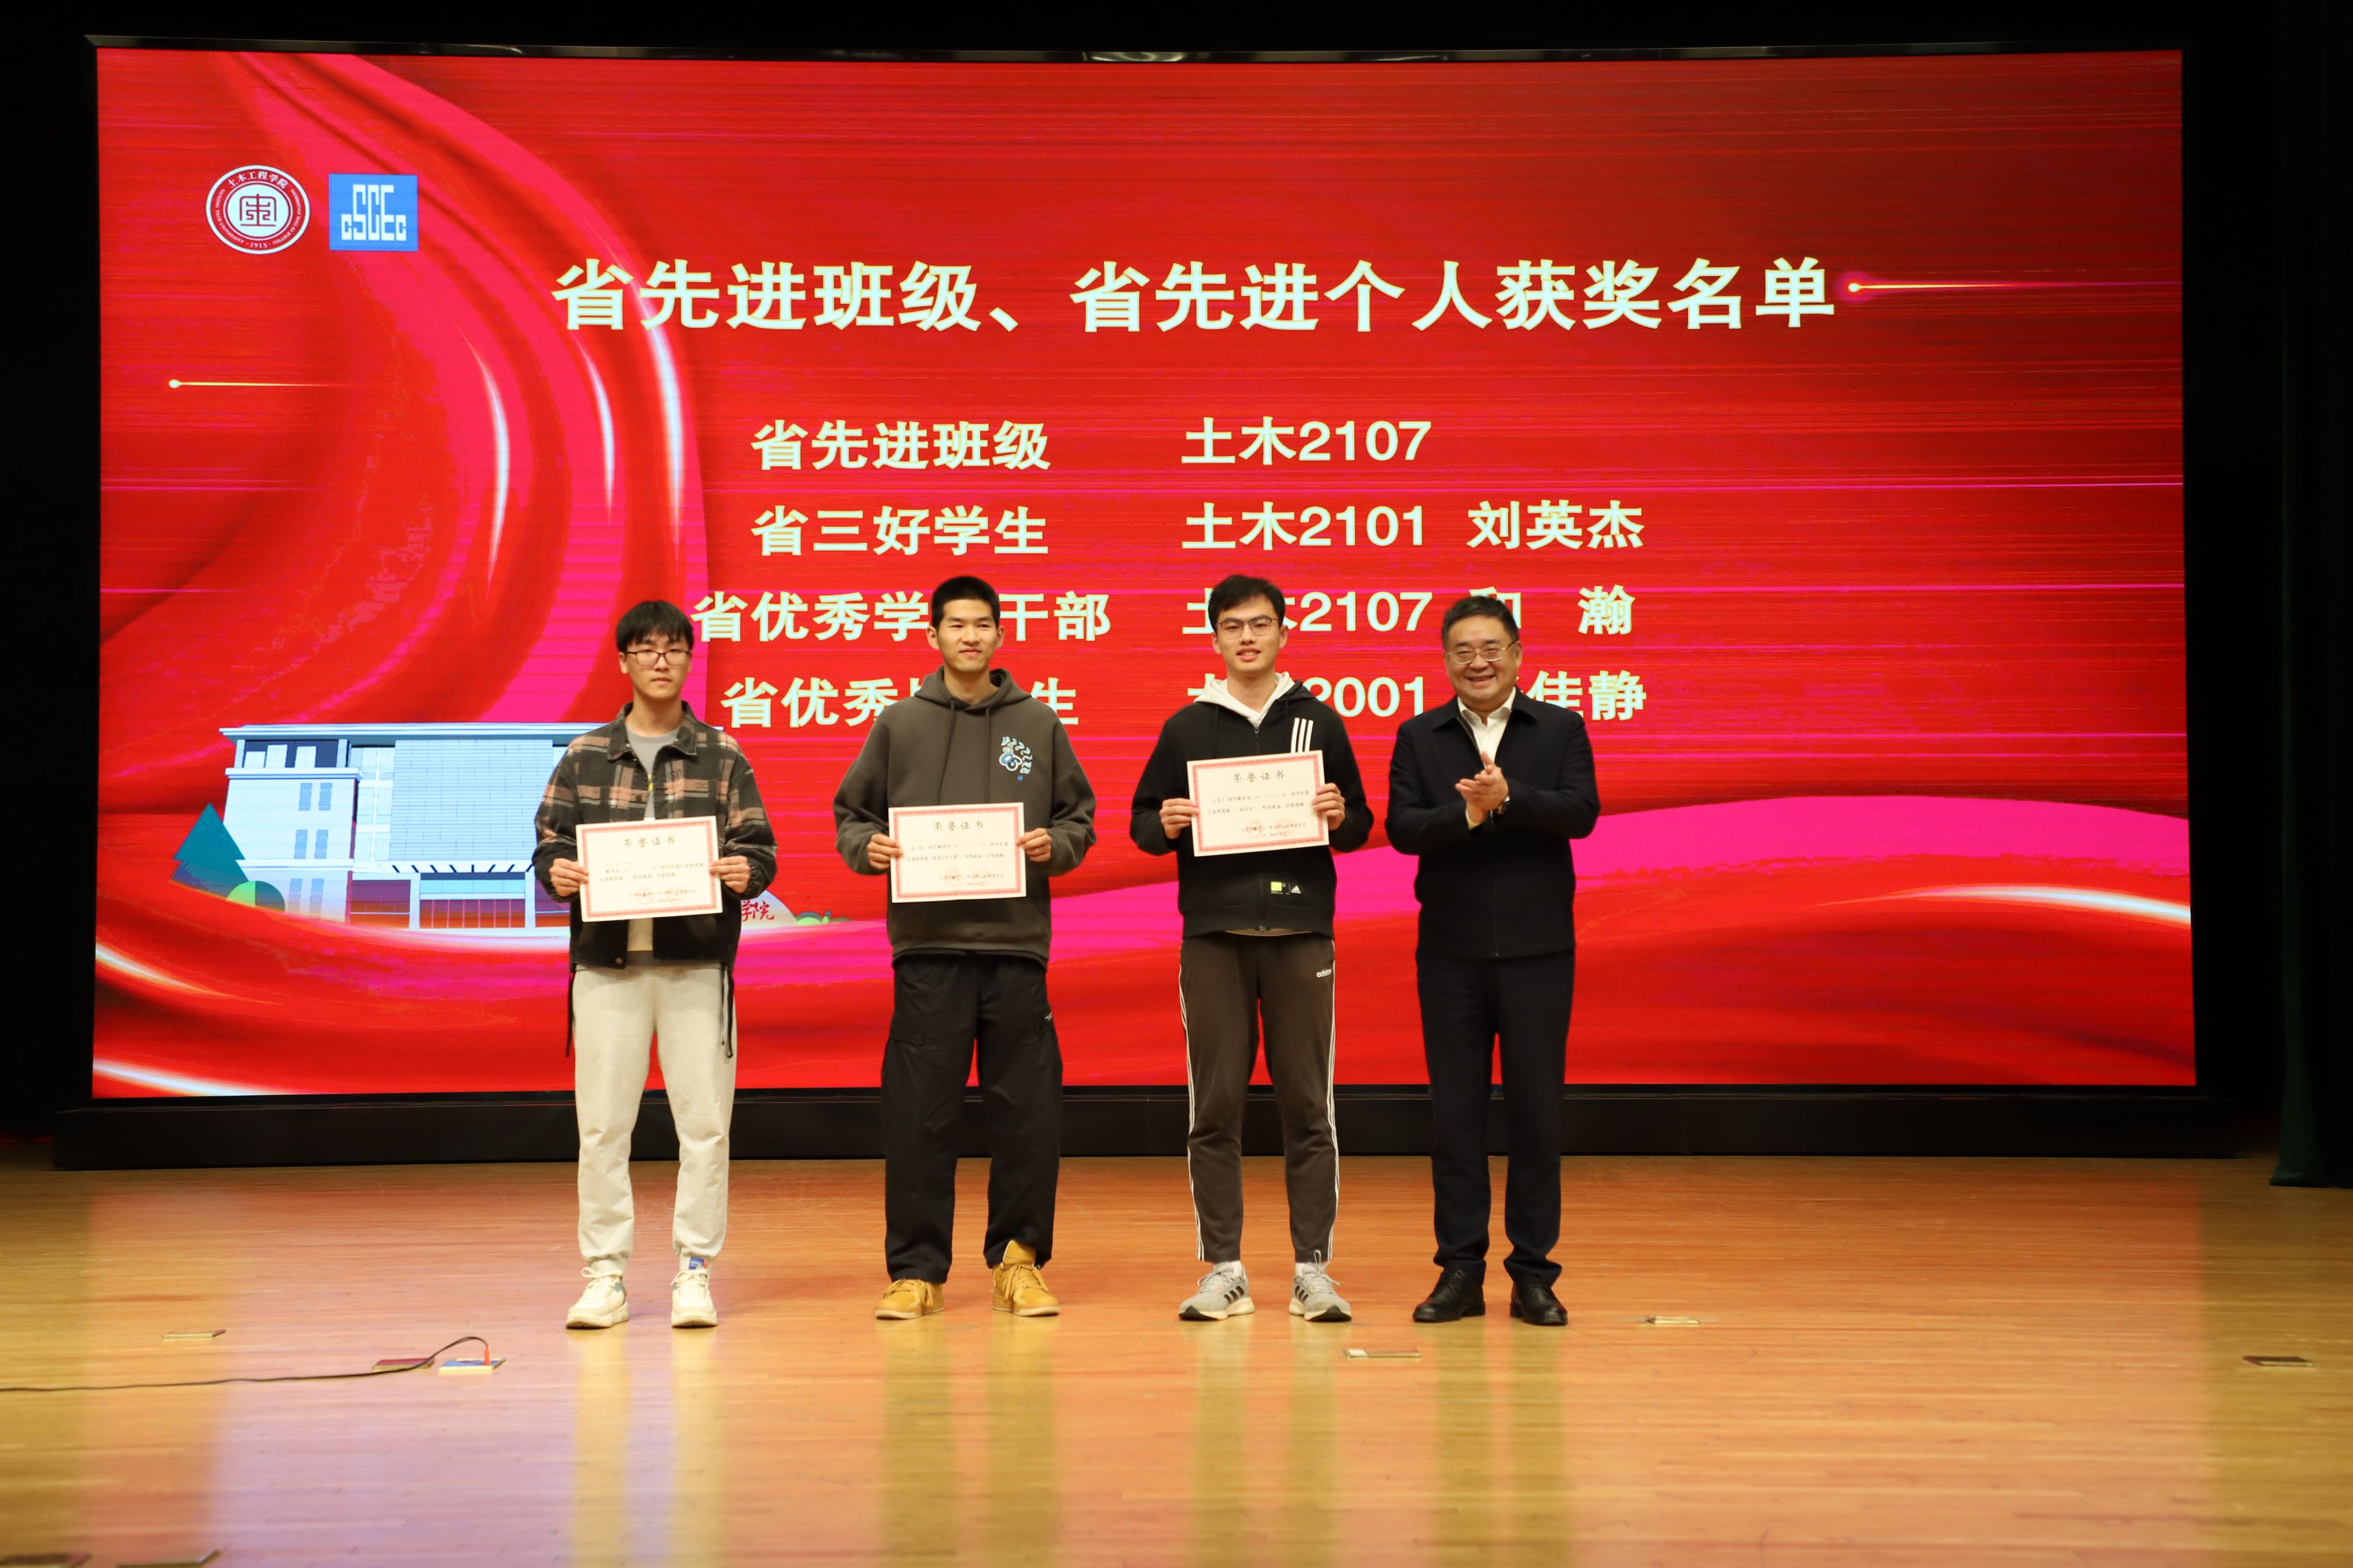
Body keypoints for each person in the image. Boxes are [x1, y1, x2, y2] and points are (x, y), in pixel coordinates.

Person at [833, 575, 1097, 1320]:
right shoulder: (899, 723)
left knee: (1028, 1116)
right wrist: (867, 847)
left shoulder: (1036, 724)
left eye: (983, 624)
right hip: (928, 949)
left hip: (1016, 948)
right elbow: (852, 815)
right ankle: (917, 1271)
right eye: (957, 624)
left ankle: (1019, 1262)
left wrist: (1056, 845)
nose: (971, 636)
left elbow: (1078, 819)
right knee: (920, 1116)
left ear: (1000, 634)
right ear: (934, 634)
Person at [1131, 574, 1373, 1324]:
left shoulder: (1319, 721)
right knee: (1215, 1107)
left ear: (1282, 632)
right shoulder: (1186, 727)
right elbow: (1142, 825)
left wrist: (1339, 812)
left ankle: (1312, 1271)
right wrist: (1167, 821)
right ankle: (1224, 1269)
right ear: (1214, 638)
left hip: (1301, 934)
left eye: (1260, 624)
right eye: (1232, 626)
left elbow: (1361, 823)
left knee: (1308, 1107)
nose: (1247, 637)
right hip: (1214, 936)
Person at [534, 600, 777, 1331]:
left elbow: (760, 848)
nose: (661, 660)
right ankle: (604, 1275)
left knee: (704, 1126)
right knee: (602, 1129)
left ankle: (694, 1270)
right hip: (606, 968)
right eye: (646, 648)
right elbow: (549, 844)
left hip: (694, 964)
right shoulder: (584, 754)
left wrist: (746, 871)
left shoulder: (723, 754)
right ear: (624, 661)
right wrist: (557, 872)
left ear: (689, 659)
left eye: (674, 648)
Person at [1386, 595, 1599, 1327]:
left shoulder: (1560, 727)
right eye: (1462, 651)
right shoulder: (1420, 735)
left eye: (1490, 648)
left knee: (1537, 1117)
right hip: (1451, 953)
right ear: (1445, 659)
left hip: (1540, 952)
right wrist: (1470, 814)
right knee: (1456, 1119)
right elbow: (1404, 829)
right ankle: (1460, 1271)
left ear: (1516, 653)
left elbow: (1580, 812)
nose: (1477, 662)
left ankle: (1534, 1275)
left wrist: (1511, 799)